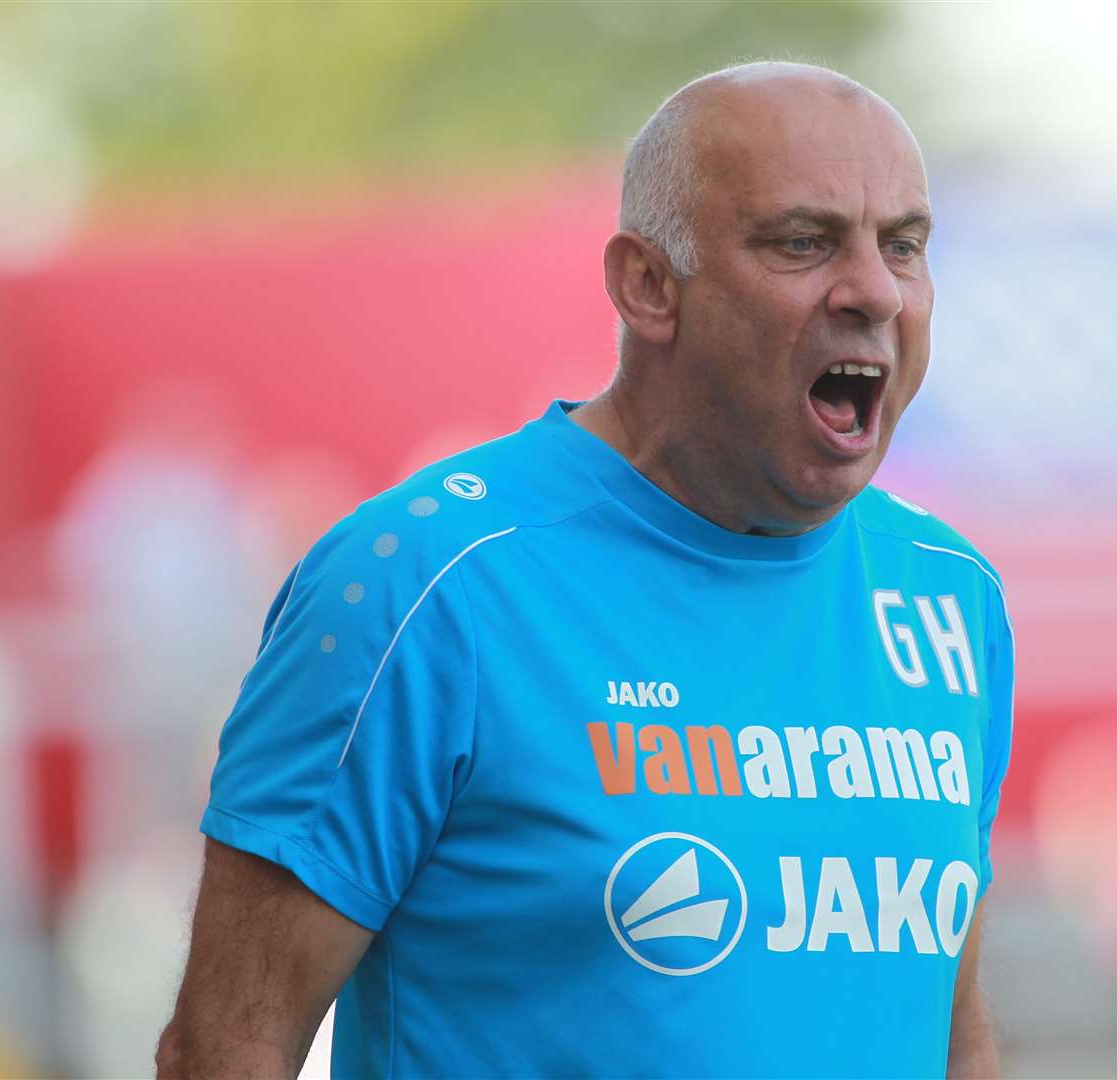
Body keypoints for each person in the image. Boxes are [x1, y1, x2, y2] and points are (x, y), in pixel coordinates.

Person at [157, 60, 1013, 1079]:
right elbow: (223, 1051)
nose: (874, 290)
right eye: (802, 241)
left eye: (904, 245)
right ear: (648, 286)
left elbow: (950, 1039)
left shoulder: (948, 594)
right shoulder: (421, 584)